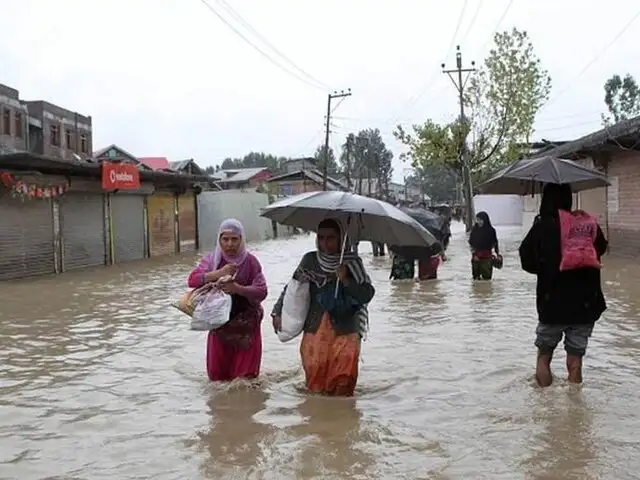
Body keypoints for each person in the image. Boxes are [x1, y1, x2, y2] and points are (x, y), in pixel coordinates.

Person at [271, 219, 375, 396]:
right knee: (315, 375)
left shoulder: (352, 262)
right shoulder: (310, 260)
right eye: (321, 238)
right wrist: (277, 311)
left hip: (346, 328)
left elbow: (366, 294)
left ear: (342, 239)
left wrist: (345, 280)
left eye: (331, 238)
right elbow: (292, 288)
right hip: (315, 326)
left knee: (344, 378)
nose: (325, 243)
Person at [519, 183, 607, 387]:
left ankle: (545, 408)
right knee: (575, 359)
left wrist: (546, 267)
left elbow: (527, 261)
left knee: (544, 355)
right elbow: (601, 249)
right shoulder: (585, 224)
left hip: (552, 303)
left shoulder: (542, 226)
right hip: (585, 303)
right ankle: (574, 405)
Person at [187, 218, 267, 381]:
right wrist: (217, 274)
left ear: (241, 239)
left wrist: (238, 288)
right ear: (219, 240)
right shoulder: (211, 261)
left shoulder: (250, 262)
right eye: (225, 239)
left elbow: (262, 291)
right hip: (219, 324)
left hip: (247, 326)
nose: (230, 244)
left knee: (246, 380)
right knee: (218, 378)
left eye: (234, 239)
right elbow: (192, 280)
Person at [468, 211, 499, 280]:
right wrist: (474, 254)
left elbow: (495, 243)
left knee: (487, 278)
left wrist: (497, 254)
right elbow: (471, 243)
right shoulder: (475, 230)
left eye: (480, 220)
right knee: (475, 278)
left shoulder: (491, 230)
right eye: (477, 220)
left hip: (487, 257)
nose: (478, 222)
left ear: (485, 220)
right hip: (476, 256)